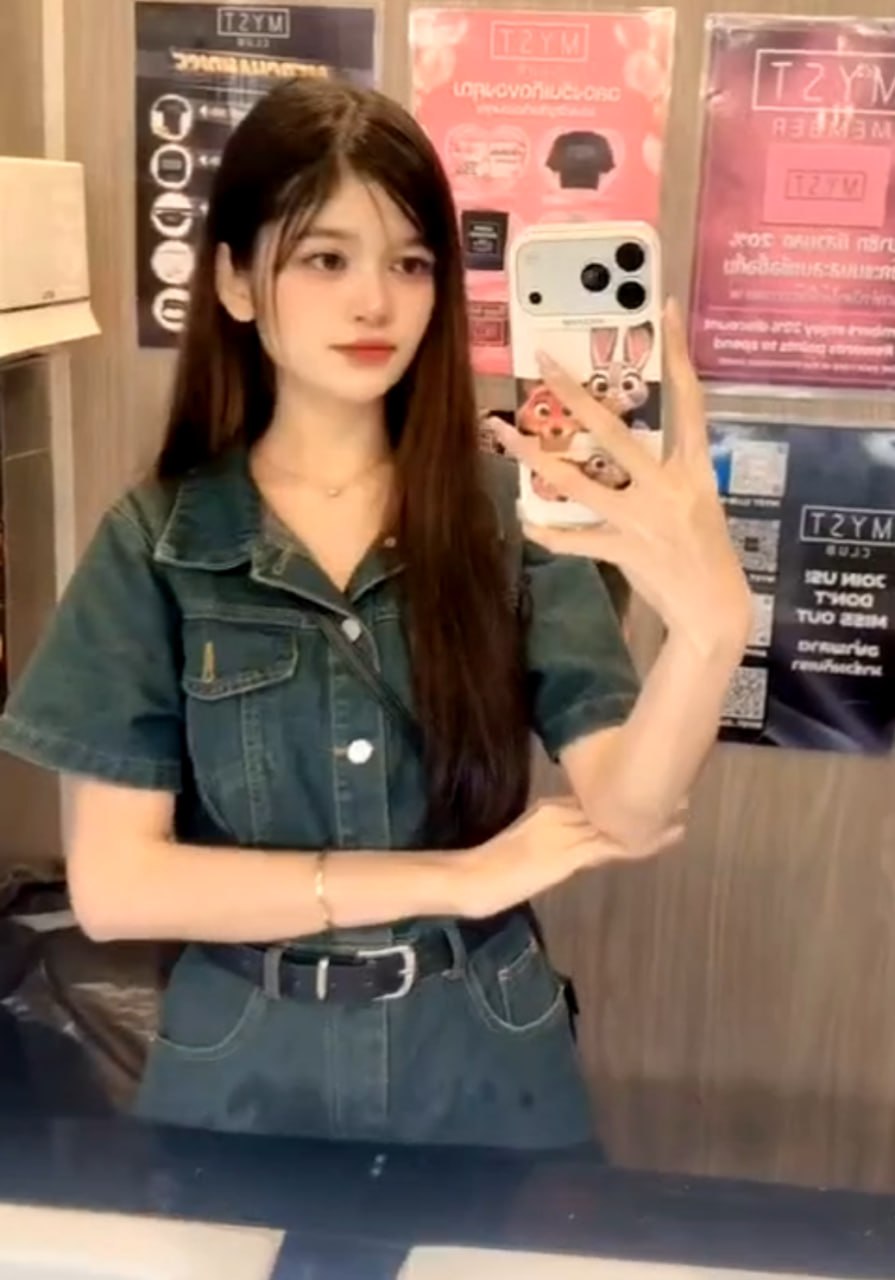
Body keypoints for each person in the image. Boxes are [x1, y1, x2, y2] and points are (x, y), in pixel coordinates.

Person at [0, 79, 750, 1150]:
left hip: (486, 1054)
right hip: (241, 1061)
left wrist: (712, 632)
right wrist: (457, 877)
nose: (375, 303)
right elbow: (120, 886)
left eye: (409, 263)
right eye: (325, 259)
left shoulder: (509, 515)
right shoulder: (158, 542)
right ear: (236, 281)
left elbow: (626, 814)